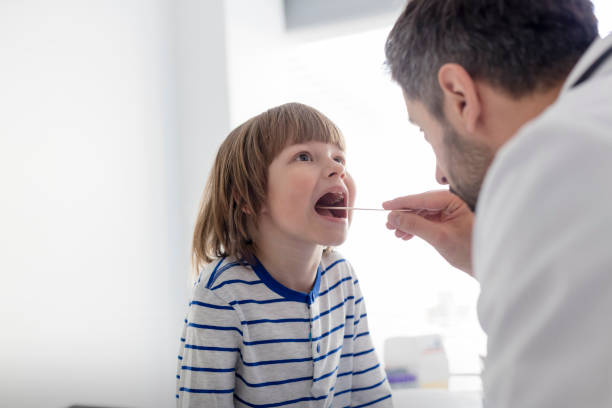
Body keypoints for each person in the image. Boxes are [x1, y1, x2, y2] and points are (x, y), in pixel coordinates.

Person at [382, 0, 612, 407]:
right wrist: (499, 263)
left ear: (460, 96)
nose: (439, 173)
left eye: (425, 132)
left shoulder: (554, 155)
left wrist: (514, 257)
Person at [175, 103, 392, 407]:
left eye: (339, 157)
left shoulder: (341, 278)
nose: (338, 168)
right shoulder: (223, 292)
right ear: (249, 196)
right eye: (304, 156)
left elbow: (371, 397)